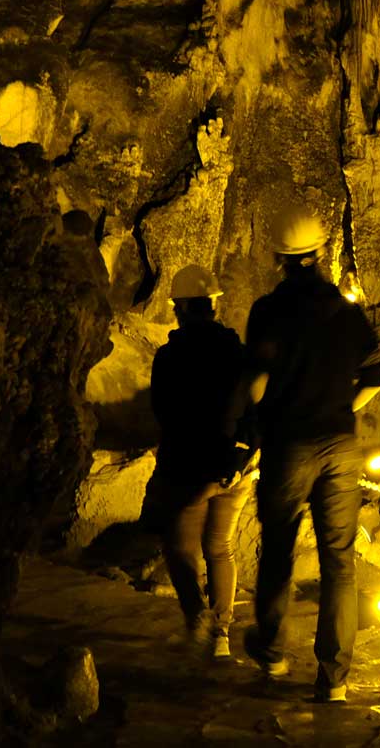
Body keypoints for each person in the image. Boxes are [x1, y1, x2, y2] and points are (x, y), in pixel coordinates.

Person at [234, 201, 380, 702]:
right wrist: (341, 407)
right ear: (321, 252)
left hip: (289, 442)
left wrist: (262, 419)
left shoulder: (268, 311)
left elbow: (257, 380)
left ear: (279, 257)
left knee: (279, 545)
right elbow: (376, 379)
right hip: (340, 443)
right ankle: (334, 678)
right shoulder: (347, 311)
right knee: (339, 559)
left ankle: (273, 653)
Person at [144, 264, 252, 660]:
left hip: (189, 470)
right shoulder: (237, 351)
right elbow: (253, 402)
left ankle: (198, 617)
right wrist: (242, 453)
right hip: (235, 467)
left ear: (183, 308)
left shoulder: (170, 357)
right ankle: (221, 634)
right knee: (221, 547)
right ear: (212, 306)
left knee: (179, 548)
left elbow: (163, 411)